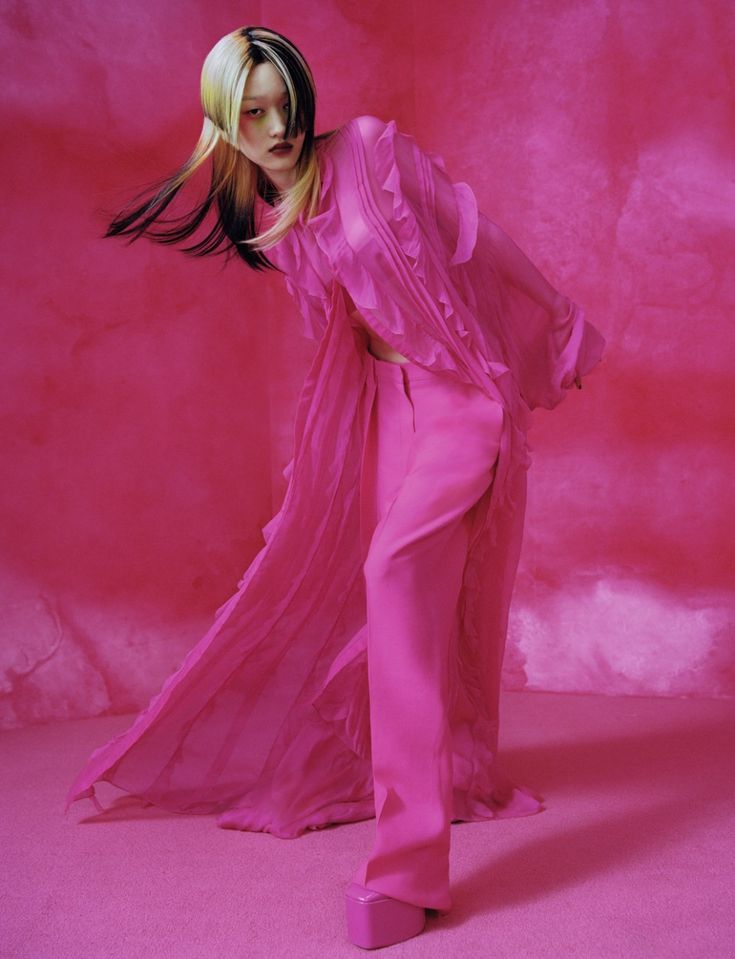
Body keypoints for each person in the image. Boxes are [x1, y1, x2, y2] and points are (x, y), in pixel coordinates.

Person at [64, 25, 605, 949]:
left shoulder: (370, 150)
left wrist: (556, 316)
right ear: (222, 125)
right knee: (392, 604)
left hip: (458, 396)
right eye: (252, 112)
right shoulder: (268, 221)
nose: (275, 127)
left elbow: (473, 229)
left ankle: (406, 870)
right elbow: (343, 329)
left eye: (283, 104)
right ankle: (438, 774)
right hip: (385, 411)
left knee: (394, 572)